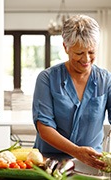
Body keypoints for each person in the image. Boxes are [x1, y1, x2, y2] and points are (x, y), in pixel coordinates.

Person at [32, 14, 111, 170]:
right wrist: (76, 152)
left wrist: (83, 156)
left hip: (92, 163)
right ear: (65, 47)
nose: (86, 59)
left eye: (91, 52)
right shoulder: (47, 79)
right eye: (79, 53)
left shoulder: (106, 79)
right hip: (50, 163)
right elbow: (44, 128)